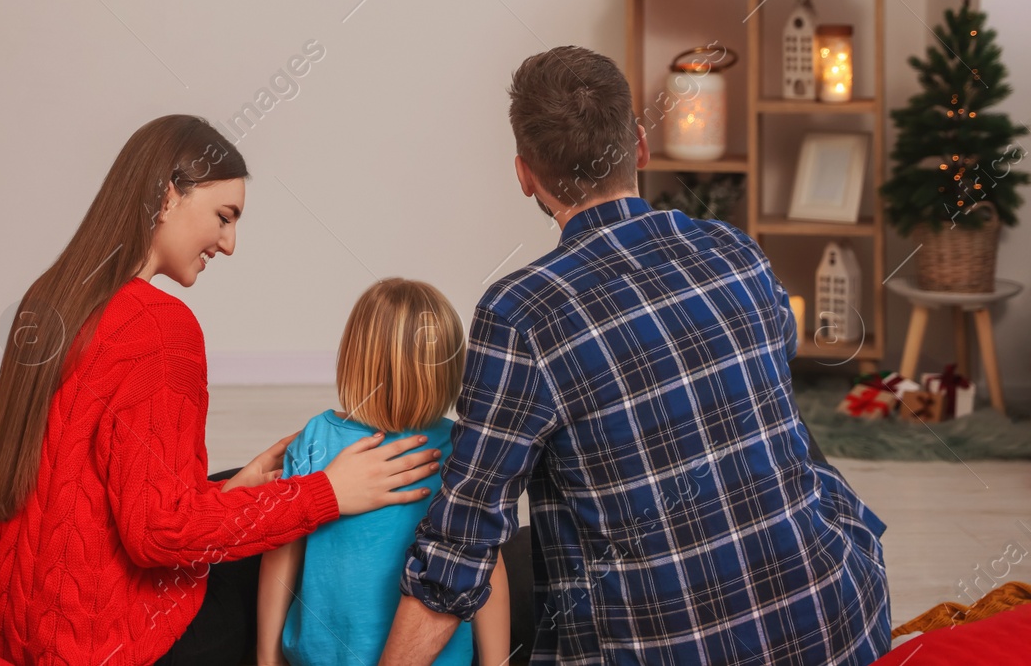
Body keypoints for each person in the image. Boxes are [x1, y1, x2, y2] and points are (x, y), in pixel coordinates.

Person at [379, 46, 892, 666]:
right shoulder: (736, 251)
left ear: (524, 174)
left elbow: (459, 547)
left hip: (659, 649)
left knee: (506, 552)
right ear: (640, 146)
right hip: (842, 622)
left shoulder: (520, 313)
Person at [0, 115, 444, 666]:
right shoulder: (158, 326)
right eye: (223, 217)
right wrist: (328, 493)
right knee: (295, 547)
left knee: (232, 483)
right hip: (96, 645)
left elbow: (92, 489)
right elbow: (159, 534)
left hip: (3, 629)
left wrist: (234, 493)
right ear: (167, 196)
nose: (229, 244)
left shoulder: (51, 297)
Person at [255, 279, 509, 666]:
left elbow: (279, 555)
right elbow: (485, 562)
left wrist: (266, 656)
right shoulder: (458, 449)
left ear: (354, 358)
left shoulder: (317, 439)